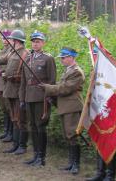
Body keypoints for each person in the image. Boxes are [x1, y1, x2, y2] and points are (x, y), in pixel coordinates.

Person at [0, 30, 30, 155]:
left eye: (12, 40)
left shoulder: (25, 54)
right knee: (14, 118)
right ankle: (15, 144)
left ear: (16, 41)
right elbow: (0, 60)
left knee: (21, 119)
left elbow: (27, 75)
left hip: (19, 89)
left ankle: (22, 145)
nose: (10, 42)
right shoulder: (12, 53)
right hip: (10, 89)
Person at [39, 47, 85, 175]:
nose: (62, 60)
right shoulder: (68, 71)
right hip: (65, 107)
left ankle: (76, 165)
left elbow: (65, 89)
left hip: (73, 107)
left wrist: (48, 88)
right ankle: (71, 163)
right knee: (68, 135)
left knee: (73, 135)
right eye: (61, 58)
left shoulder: (77, 72)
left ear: (71, 57)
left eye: (64, 58)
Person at [20, 31, 56, 166]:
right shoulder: (27, 58)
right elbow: (23, 81)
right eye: (33, 41)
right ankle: (35, 155)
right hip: (29, 96)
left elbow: (52, 81)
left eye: (38, 41)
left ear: (43, 43)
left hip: (41, 97)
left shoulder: (48, 59)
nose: (35, 44)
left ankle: (41, 157)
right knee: (32, 126)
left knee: (40, 126)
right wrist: (22, 98)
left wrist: (49, 97)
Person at [0, 30, 13, 141]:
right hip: (1, 83)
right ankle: (6, 131)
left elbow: (11, 67)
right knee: (4, 109)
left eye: (7, 38)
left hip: (8, 83)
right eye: (3, 38)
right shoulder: (2, 51)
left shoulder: (11, 51)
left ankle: (11, 133)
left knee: (9, 108)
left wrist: (2, 71)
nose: (5, 40)